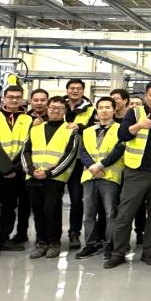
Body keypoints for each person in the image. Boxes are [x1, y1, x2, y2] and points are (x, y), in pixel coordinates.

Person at [105, 82, 151, 269]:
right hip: (136, 172)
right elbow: (122, 135)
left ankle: (148, 251)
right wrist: (139, 126)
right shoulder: (134, 113)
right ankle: (118, 252)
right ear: (145, 96)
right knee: (125, 214)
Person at [22, 96, 80, 260]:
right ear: (47, 109)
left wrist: (49, 173)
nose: (56, 111)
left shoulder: (70, 130)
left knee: (51, 209)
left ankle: (54, 242)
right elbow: (25, 151)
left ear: (65, 111)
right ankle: (41, 242)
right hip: (33, 177)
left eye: (60, 108)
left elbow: (70, 155)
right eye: (53, 107)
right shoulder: (35, 129)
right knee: (38, 211)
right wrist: (31, 170)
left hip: (55, 178)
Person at [0, 85, 33, 254]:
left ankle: (4, 239)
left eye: (18, 97)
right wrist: (6, 168)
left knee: (10, 208)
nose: (14, 100)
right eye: (11, 97)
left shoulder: (28, 120)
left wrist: (15, 169)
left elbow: (27, 146)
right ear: (4, 98)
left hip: (17, 172)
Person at [74, 97, 126, 260]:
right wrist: (92, 167)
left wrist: (100, 165)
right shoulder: (88, 131)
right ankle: (91, 244)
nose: (104, 110)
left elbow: (118, 151)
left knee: (111, 213)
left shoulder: (121, 129)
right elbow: (83, 151)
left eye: (108, 107)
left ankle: (110, 244)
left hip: (110, 176)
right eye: (101, 107)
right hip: (89, 176)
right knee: (89, 214)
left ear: (114, 110)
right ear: (96, 111)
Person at [63, 78, 95, 250]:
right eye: (72, 88)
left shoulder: (91, 110)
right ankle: (50, 235)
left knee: (76, 199)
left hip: (77, 161)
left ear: (83, 91)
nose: (75, 91)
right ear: (67, 90)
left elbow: (95, 129)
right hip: (55, 160)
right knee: (52, 200)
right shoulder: (58, 105)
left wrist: (80, 128)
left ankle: (74, 232)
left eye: (78, 88)